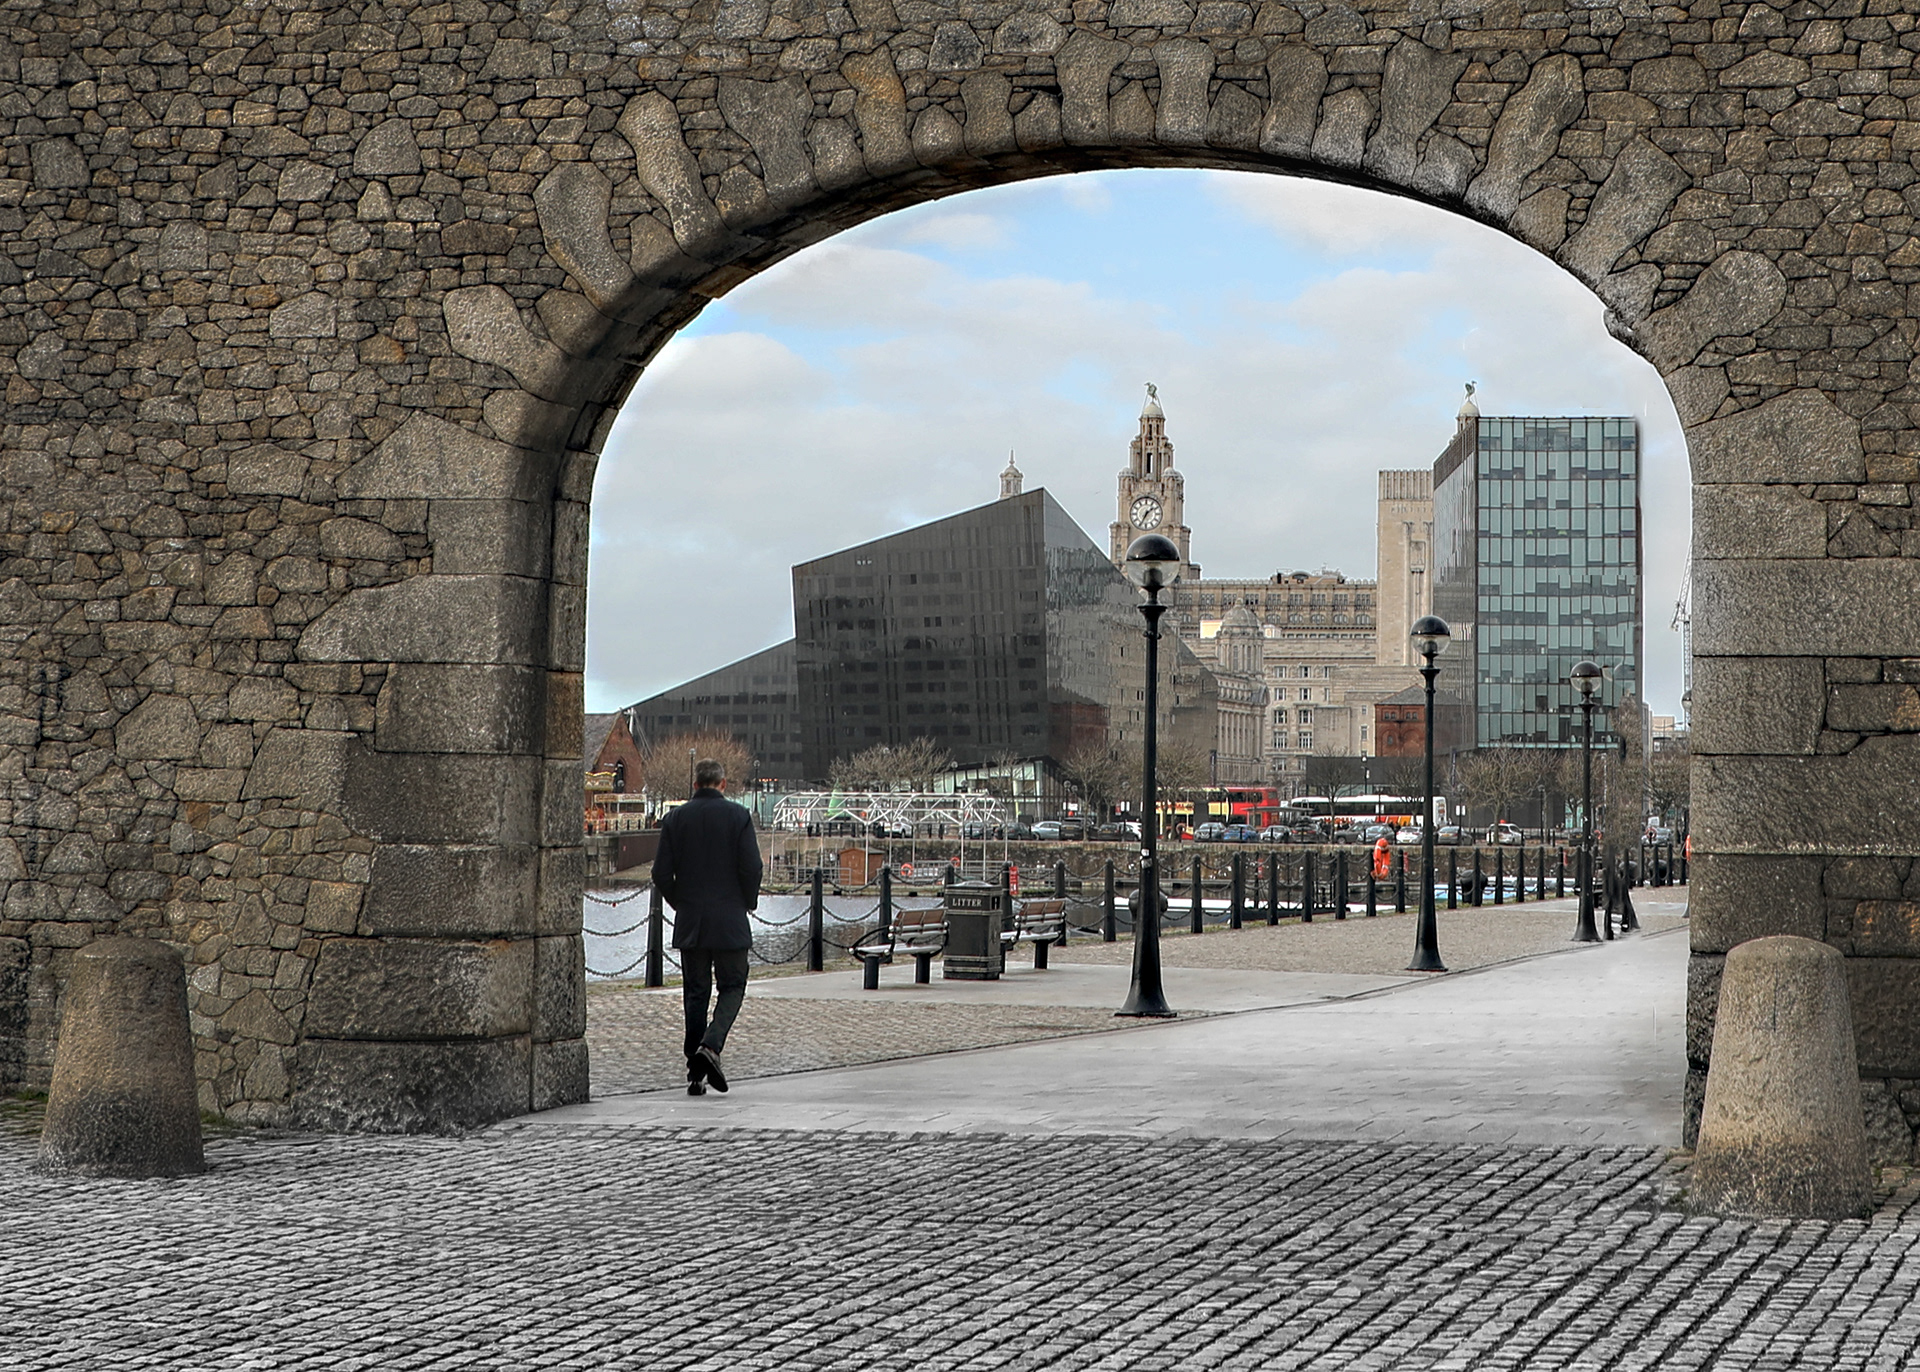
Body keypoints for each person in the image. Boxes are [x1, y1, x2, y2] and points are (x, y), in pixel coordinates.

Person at [651, 758, 763, 1097]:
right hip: (730, 918)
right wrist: (748, 901)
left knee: (695, 993)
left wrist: (679, 902)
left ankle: (695, 1072)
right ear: (723, 784)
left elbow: (660, 874)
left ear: (695, 784)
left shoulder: (675, 819)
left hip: (692, 921)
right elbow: (752, 868)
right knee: (733, 986)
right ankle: (711, 1047)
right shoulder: (739, 817)